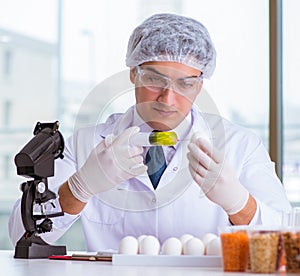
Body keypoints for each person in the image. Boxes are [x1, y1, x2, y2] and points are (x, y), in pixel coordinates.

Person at [9, 13, 291, 252]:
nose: (167, 99)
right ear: (133, 73)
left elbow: (284, 242)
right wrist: (79, 187)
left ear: (201, 84)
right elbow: (20, 237)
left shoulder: (240, 145)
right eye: (155, 79)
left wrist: (238, 203)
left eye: (185, 84)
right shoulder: (85, 144)